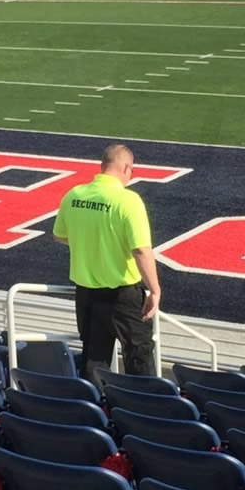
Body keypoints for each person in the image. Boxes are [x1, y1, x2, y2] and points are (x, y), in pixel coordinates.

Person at [53, 143, 160, 379]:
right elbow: (142, 250)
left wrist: (91, 241)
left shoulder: (74, 195)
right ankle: (145, 410)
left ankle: (99, 410)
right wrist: (154, 289)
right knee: (138, 355)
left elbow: (60, 235)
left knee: (94, 358)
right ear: (125, 167)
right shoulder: (128, 200)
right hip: (123, 295)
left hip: (86, 293)